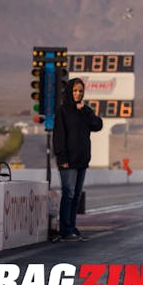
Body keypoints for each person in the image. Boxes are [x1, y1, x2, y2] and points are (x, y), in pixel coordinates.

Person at [53, 77, 103, 242]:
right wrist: (62, 157)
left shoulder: (84, 111)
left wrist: (85, 111)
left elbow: (97, 125)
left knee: (76, 196)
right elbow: (59, 135)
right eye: (75, 90)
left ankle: (72, 227)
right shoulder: (62, 111)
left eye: (80, 91)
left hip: (81, 160)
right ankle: (65, 230)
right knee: (68, 193)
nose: (77, 94)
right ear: (69, 91)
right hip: (68, 160)